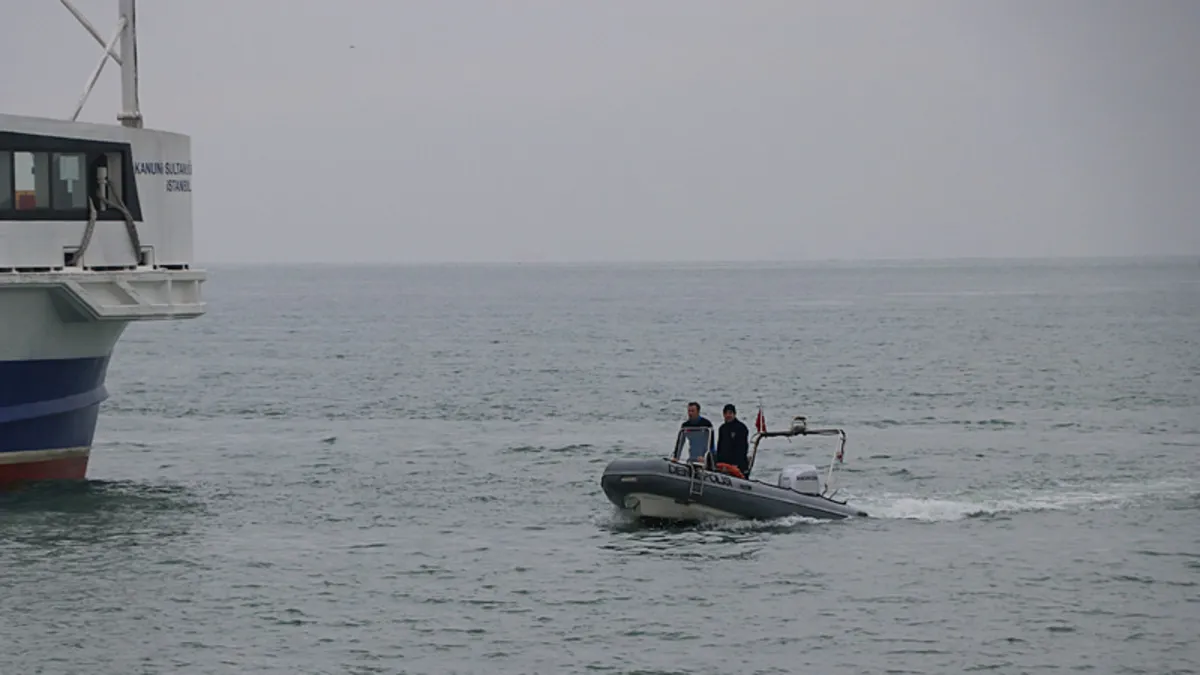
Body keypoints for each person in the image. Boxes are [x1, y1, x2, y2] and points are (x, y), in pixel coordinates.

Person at [717, 403, 750, 477]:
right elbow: (720, 446)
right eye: (726, 413)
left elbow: (742, 448)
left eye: (730, 413)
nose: (728, 415)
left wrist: (736, 464)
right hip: (724, 465)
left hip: (738, 465)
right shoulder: (722, 428)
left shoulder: (741, 428)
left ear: (734, 414)